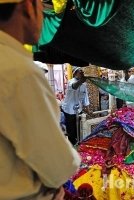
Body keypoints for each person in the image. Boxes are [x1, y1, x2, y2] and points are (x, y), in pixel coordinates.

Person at [0, 0, 81, 199]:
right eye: (43, 8)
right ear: (28, 7)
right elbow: (59, 167)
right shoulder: (18, 72)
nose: (45, 17)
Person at [61, 67, 90, 145]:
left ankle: (78, 143)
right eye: (80, 72)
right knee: (71, 130)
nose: (82, 73)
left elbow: (85, 97)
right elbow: (74, 86)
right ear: (75, 73)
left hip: (78, 109)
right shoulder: (71, 82)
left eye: (82, 72)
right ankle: (72, 145)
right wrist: (80, 81)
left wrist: (87, 109)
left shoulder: (84, 85)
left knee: (78, 127)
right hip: (69, 110)